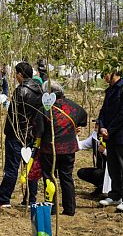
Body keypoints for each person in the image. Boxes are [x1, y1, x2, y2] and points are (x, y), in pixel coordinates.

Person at [0, 61, 44, 209]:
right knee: (30, 168)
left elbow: (14, 115)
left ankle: (3, 198)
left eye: (16, 74)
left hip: (17, 135)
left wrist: (10, 131)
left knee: (11, 168)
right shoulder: (40, 91)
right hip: (32, 134)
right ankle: (30, 199)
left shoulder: (21, 91)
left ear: (20, 74)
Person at [31, 81, 87, 215]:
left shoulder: (45, 108)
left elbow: (37, 131)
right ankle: (70, 209)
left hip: (49, 149)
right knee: (66, 177)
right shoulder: (73, 107)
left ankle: (52, 207)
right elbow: (83, 118)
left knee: (49, 178)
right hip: (69, 149)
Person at [97, 70, 123, 212]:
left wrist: (110, 129)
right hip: (110, 135)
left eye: (105, 73)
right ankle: (116, 195)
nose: (104, 77)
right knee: (113, 166)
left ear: (114, 72)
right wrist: (102, 126)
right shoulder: (110, 91)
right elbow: (103, 111)